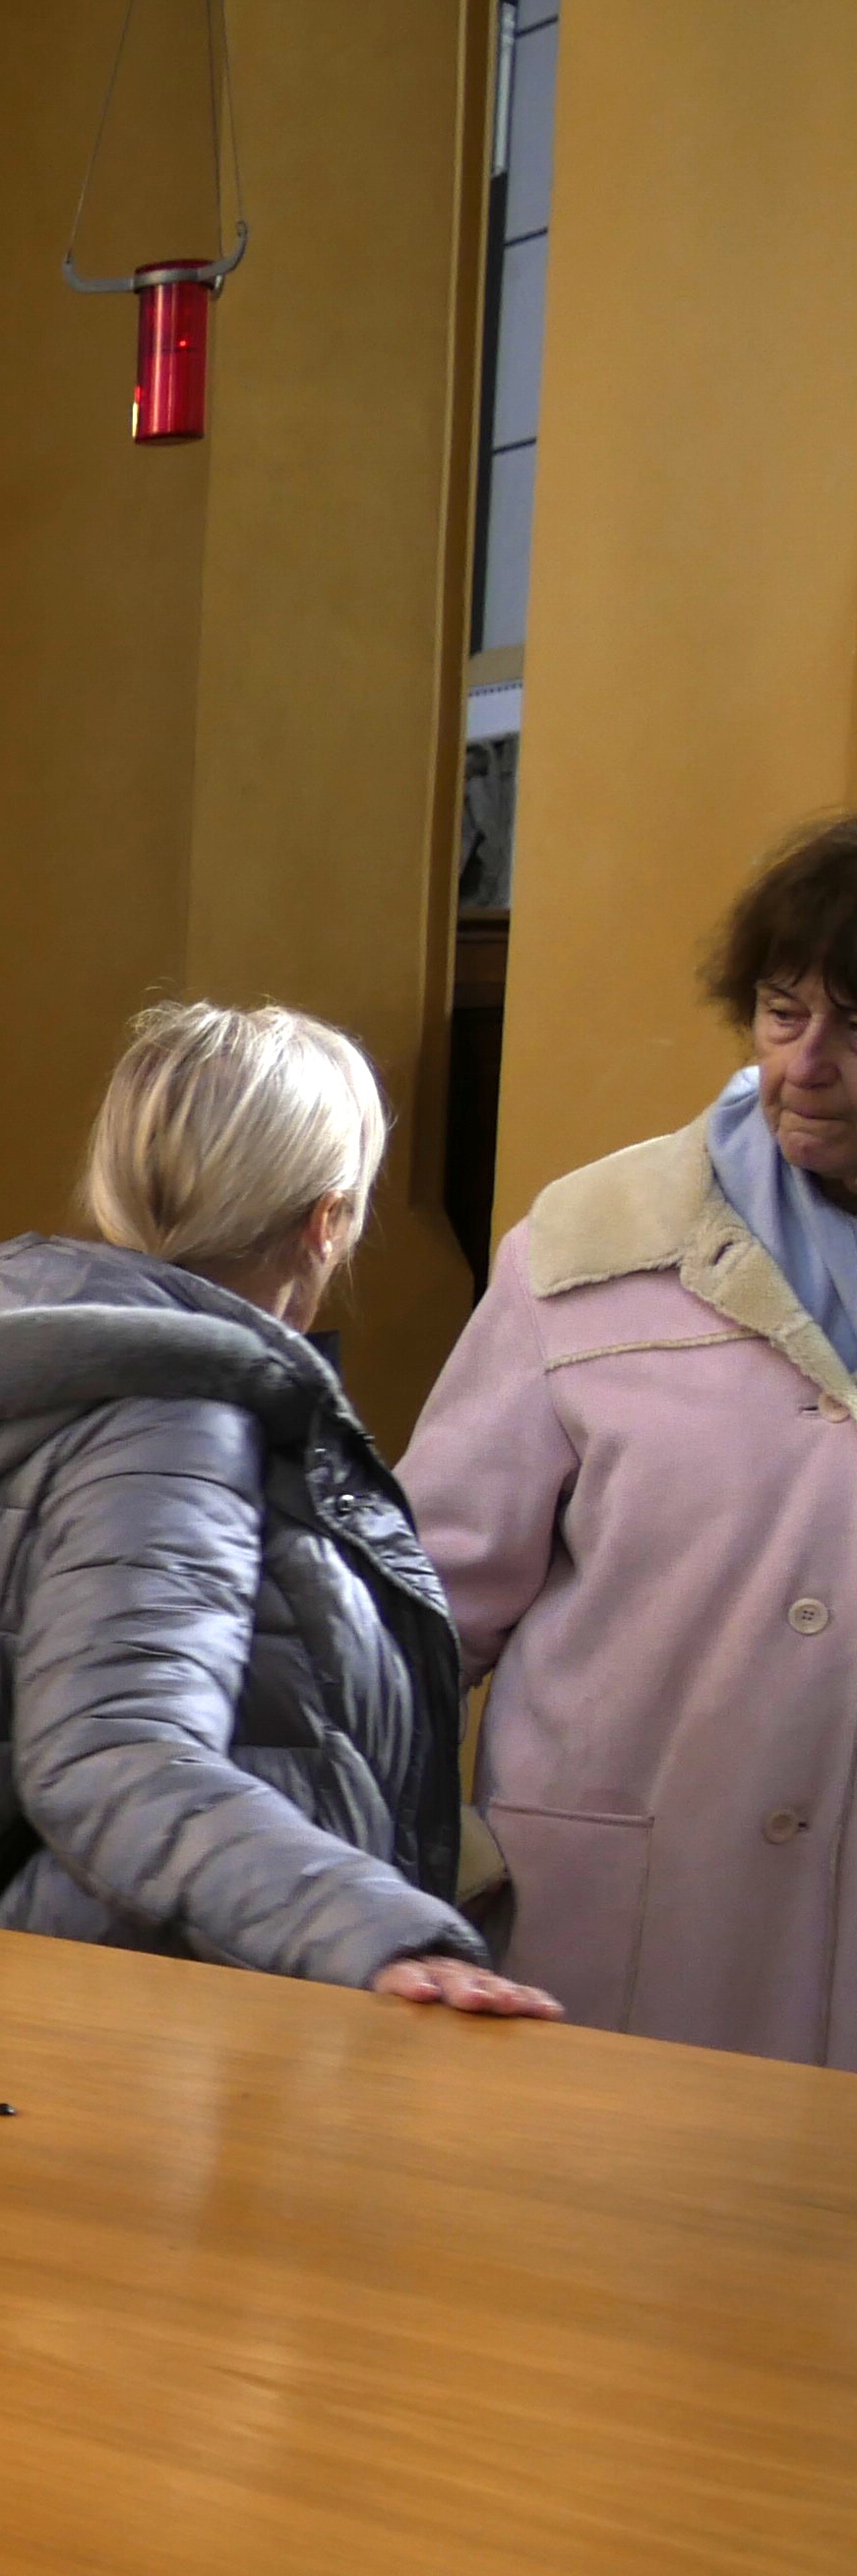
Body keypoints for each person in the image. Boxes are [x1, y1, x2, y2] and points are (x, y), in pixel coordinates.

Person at [0, 1005, 548, 2008]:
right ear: (326, 1219)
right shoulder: (170, 1424)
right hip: (144, 2016)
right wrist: (369, 1928)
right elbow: (108, 1753)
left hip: (83, 1987)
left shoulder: (70, 1378)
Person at [399, 813, 857, 2066]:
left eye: (853, 1027)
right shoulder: (588, 1247)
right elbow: (414, 1610)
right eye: (778, 1014)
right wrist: (398, 1880)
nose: (805, 1065)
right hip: (609, 1945)